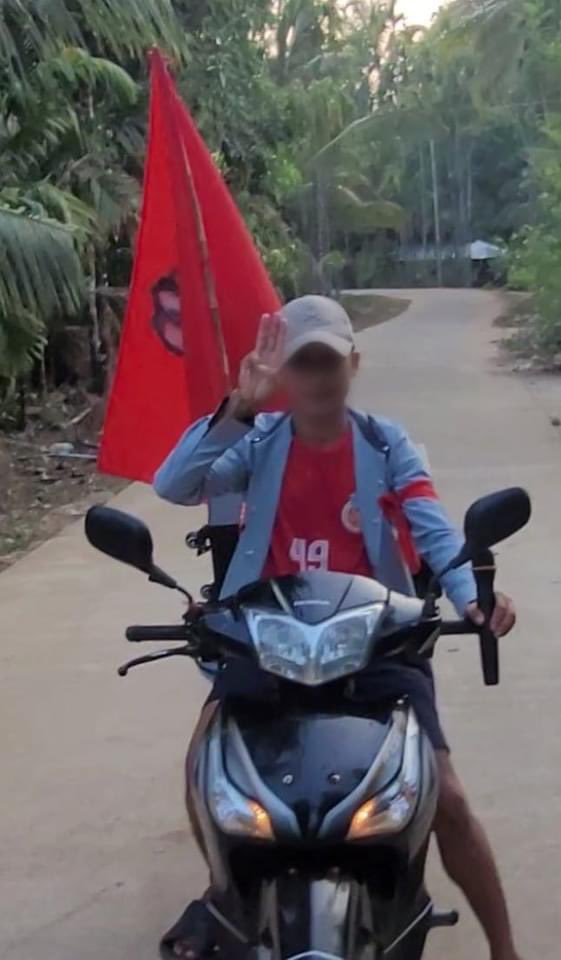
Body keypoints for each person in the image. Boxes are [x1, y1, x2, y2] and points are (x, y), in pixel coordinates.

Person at [154, 296, 520, 960]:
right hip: (268, 638)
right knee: (204, 766)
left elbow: (433, 532)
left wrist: (471, 597)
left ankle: (504, 948)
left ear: (353, 363)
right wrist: (238, 407)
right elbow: (173, 485)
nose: (318, 377)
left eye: (328, 361)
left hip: (376, 639)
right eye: (303, 363)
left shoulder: (386, 444)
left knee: (445, 794)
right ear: (284, 373)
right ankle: (223, 893)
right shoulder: (257, 443)